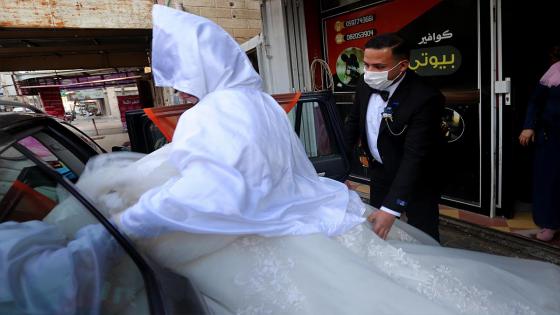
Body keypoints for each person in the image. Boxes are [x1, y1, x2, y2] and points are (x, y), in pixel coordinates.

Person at [66, 5, 560, 314]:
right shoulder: (255, 100)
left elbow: (220, 189)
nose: (367, 73)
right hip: (306, 215)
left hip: (273, 233)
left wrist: (128, 223)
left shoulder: (217, 112)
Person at [343, 33, 445, 241]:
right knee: (379, 234)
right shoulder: (364, 85)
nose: (370, 72)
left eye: (379, 67)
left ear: (403, 66)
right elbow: (352, 127)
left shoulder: (426, 97)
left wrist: (391, 208)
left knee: (424, 235)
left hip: (417, 180)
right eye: (367, 65)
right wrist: (341, 171)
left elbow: (415, 155)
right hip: (380, 172)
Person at [519, 44, 560, 242]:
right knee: (549, 179)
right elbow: (536, 101)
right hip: (552, 135)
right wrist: (529, 126)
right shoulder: (554, 71)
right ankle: (548, 224)